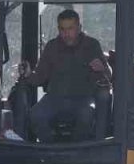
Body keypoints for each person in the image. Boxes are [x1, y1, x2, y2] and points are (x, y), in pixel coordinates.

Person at [7, 9, 112, 142]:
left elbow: (108, 76)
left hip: (83, 98)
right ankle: (51, 148)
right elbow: (39, 76)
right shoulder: (52, 47)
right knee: (36, 115)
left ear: (79, 28)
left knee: (86, 115)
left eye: (70, 28)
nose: (66, 34)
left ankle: (78, 150)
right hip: (55, 98)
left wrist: (102, 69)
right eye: (62, 29)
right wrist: (28, 75)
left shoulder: (92, 45)